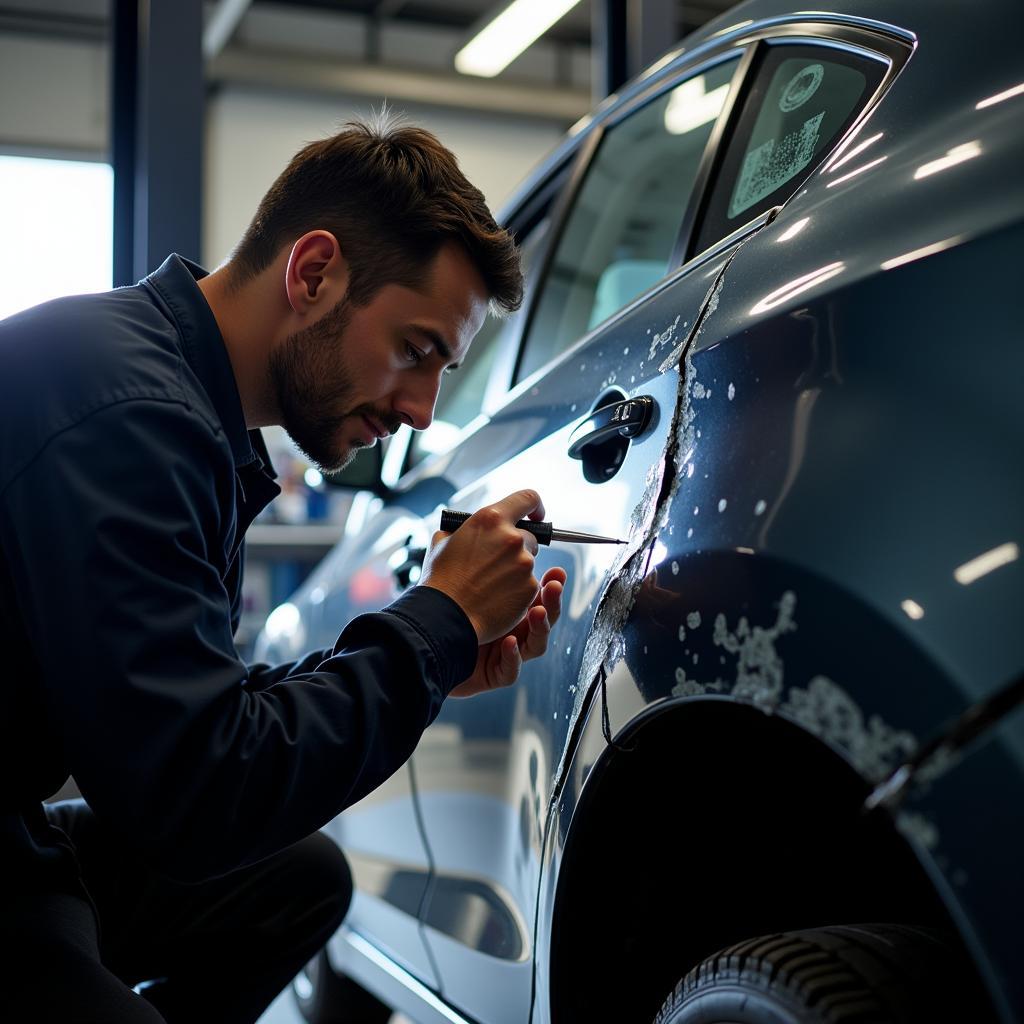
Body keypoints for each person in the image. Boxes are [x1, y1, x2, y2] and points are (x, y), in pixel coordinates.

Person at [0, 115, 567, 1022]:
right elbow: (194, 799)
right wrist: (435, 627)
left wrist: (431, 660)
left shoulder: (170, 394)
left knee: (299, 880)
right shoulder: (132, 416)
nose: (423, 410)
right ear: (313, 273)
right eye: (416, 351)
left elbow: (192, 712)